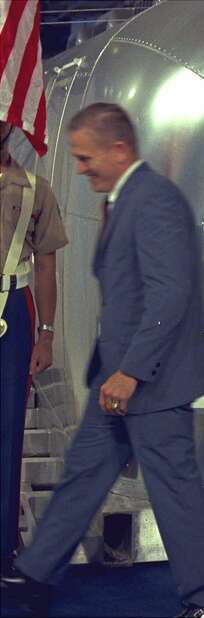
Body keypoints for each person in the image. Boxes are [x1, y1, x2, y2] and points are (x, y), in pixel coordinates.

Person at [0, 104, 204, 618]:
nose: (81, 168)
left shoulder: (154, 201)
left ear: (119, 149)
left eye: (86, 158)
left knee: (175, 489)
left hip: (153, 381)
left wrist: (131, 372)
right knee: (84, 474)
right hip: (119, 378)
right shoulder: (124, 196)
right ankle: (36, 575)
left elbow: (169, 295)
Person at [0, 121, 68, 571]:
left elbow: (46, 264)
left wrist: (46, 332)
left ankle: (4, 543)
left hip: (13, 311)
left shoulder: (34, 189)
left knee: (8, 430)